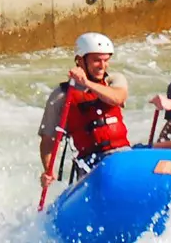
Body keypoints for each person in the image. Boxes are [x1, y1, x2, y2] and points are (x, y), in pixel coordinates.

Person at [38, 32, 130, 181]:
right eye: (96, 61)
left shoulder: (114, 80)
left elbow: (117, 98)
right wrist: (48, 169)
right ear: (80, 60)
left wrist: (86, 82)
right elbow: (48, 139)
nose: (102, 66)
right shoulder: (61, 95)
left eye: (106, 60)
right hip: (89, 163)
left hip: (121, 155)